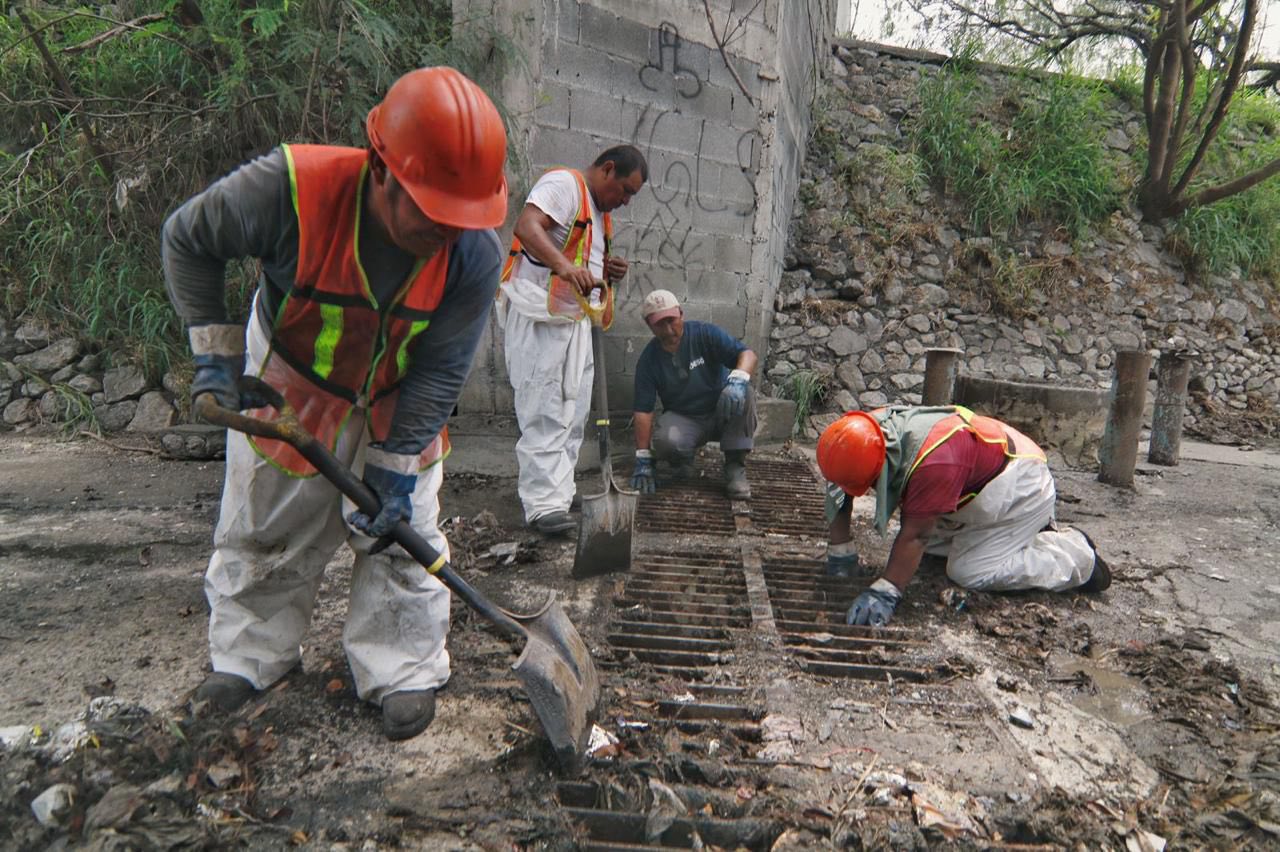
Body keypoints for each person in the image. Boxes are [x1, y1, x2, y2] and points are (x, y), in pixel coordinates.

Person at [161, 67, 508, 741]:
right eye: (434, 209)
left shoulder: (473, 253)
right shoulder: (290, 190)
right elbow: (187, 239)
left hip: (398, 393)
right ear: (381, 167)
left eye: (463, 214)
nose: (449, 229)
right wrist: (216, 355)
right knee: (266, 526)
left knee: (404, 539)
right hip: (294, 378)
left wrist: (395, 466)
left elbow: (441, 369)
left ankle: (403, 668)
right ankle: (249, 656)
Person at [816, 405, 1110, 627]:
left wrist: (886, 590)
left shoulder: (934, 462)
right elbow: (840, 488)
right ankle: (1008, 539)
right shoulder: (859, 434)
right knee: (920, 551)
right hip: (975, 482)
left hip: (1020, 486)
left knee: (967, 571)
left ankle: (1076, 555)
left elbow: (917, 535)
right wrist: (841, 551)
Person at [496, 145, 648, 535]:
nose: (626, 202)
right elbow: (527, 226)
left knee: (574, 411)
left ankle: (558, 492)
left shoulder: (599, 214)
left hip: (573, 322)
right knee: (546, 410)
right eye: (626, 191)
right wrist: (565, 267)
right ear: (608, 170)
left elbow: (583, 264)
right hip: (541, 320)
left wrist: (608, 272)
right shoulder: (565, 185)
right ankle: (542, 506)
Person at [629, 290, 758, 500]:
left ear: (681, 314)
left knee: (746, 394)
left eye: (672, 320)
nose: (669, 330)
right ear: (649, 326)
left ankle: (735, 467)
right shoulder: (649, 360)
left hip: (723, 409)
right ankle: (682, 462)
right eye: (660, 324)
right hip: (687, 418)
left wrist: (738, 379)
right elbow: (643, 410)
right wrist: (643, 458)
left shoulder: (704, 334)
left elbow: (747, 354)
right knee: (666, 439)